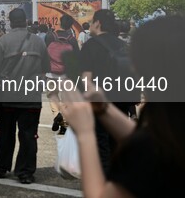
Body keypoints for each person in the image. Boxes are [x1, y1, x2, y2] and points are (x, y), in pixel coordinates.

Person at [60, 15, 185, 197]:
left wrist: (85, 133)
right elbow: (150, 140)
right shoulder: (172, 128)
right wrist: (104, 108)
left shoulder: (149, 156)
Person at [0, 8, 50, 184]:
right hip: (31, 98)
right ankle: (25, 172)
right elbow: (45, 69)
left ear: (10, 22)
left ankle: (0, 167)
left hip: (7, 96)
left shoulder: (3, 41)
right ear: (26, 21)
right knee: (29, 136)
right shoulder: (39, 42)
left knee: (5, 133)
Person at [78, 9, 132, 175]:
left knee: (100, 141)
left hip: (100, 101)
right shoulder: (124, 45)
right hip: (122, 99)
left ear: (98, 23)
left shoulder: (90, 46)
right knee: (117, 139)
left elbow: (86, 78)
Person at [44, 14, 79, 135]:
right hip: (66, 74)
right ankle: (64, 121)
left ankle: (56, 114)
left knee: (52, 95)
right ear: (70, 25)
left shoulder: (50, 36)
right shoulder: (72, 39)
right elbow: (76, 58)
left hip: (51, 72)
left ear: (60, 22)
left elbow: (45, 53)